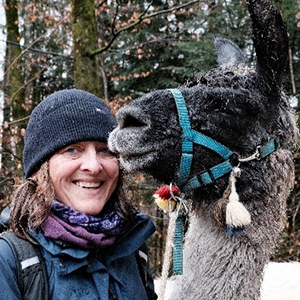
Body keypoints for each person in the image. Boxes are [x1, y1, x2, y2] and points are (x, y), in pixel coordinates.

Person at [0, 89, 157, 300]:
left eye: (105, 150)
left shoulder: (133, 248)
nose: (93, 166)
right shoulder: (10, 260)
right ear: (41, 169)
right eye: (72, 150)